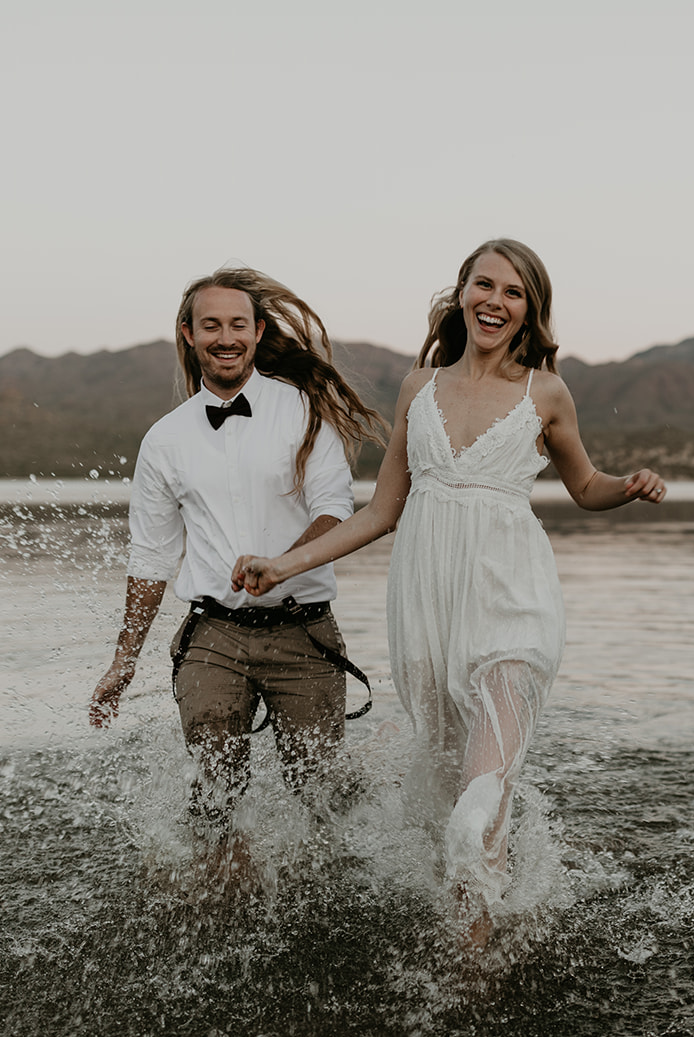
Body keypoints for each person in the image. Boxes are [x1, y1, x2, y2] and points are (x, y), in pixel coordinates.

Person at [233, 238, 666, 940]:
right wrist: (286, 565)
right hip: (429, 612)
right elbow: (381, 510)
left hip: (513, 604)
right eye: (484, 284)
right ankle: (477, 946)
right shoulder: (420, 386)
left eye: (514, 292)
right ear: (461, 292)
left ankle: (472, 978)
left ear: (530, 313)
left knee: (474, 807)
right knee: (447, 795)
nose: (496, 300)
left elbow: (586, 486)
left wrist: (629, 485)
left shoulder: (544, 392)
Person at [89, 266, 385, 839]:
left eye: (237, 325)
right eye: (210, 326)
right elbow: (151, 557)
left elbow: (334, 511)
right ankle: (223, 888)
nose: (225, 338)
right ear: (187, 333)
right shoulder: (164, 439)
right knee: (215, 790)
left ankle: (338, 887)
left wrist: (281, 565)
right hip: (213, 638)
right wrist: (124, 660)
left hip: (304, 632)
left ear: (257, 331)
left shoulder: (305, 412)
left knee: (319, 791)